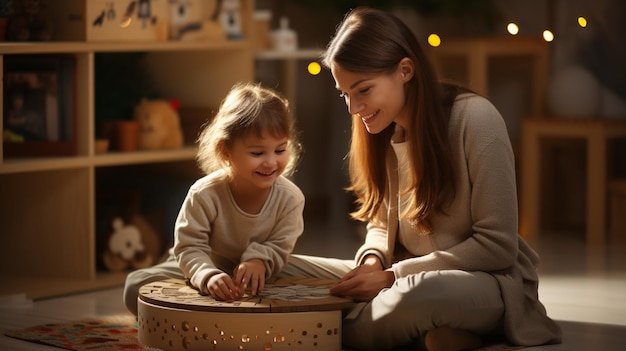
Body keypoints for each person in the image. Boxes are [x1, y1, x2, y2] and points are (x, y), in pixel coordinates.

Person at [277, 7, 562, 351]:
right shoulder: (384, 130)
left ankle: (318, 329)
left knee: (420, 296)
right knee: (281, 267)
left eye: (363, 90)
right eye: (345, 94)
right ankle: (434, 336)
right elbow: (381, 225)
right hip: (400, 277)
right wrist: (371, 264)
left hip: (485, 283)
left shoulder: (476, 120)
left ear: (405, 70)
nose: (353, 108)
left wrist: (393, 277)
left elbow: (497, 247)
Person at [122, 82, 305, 315]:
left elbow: (280, 246)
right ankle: (209, 310)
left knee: (322, 281)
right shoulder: (204, 193)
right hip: (201, 267)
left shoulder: (291, 198)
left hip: (261, 274)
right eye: (257, 153)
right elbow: (188, 247)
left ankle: (218, 312)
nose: (270, 162)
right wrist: (207, 275)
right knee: (135, 286)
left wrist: (259, 261)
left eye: (280, 150)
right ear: (225, 151)